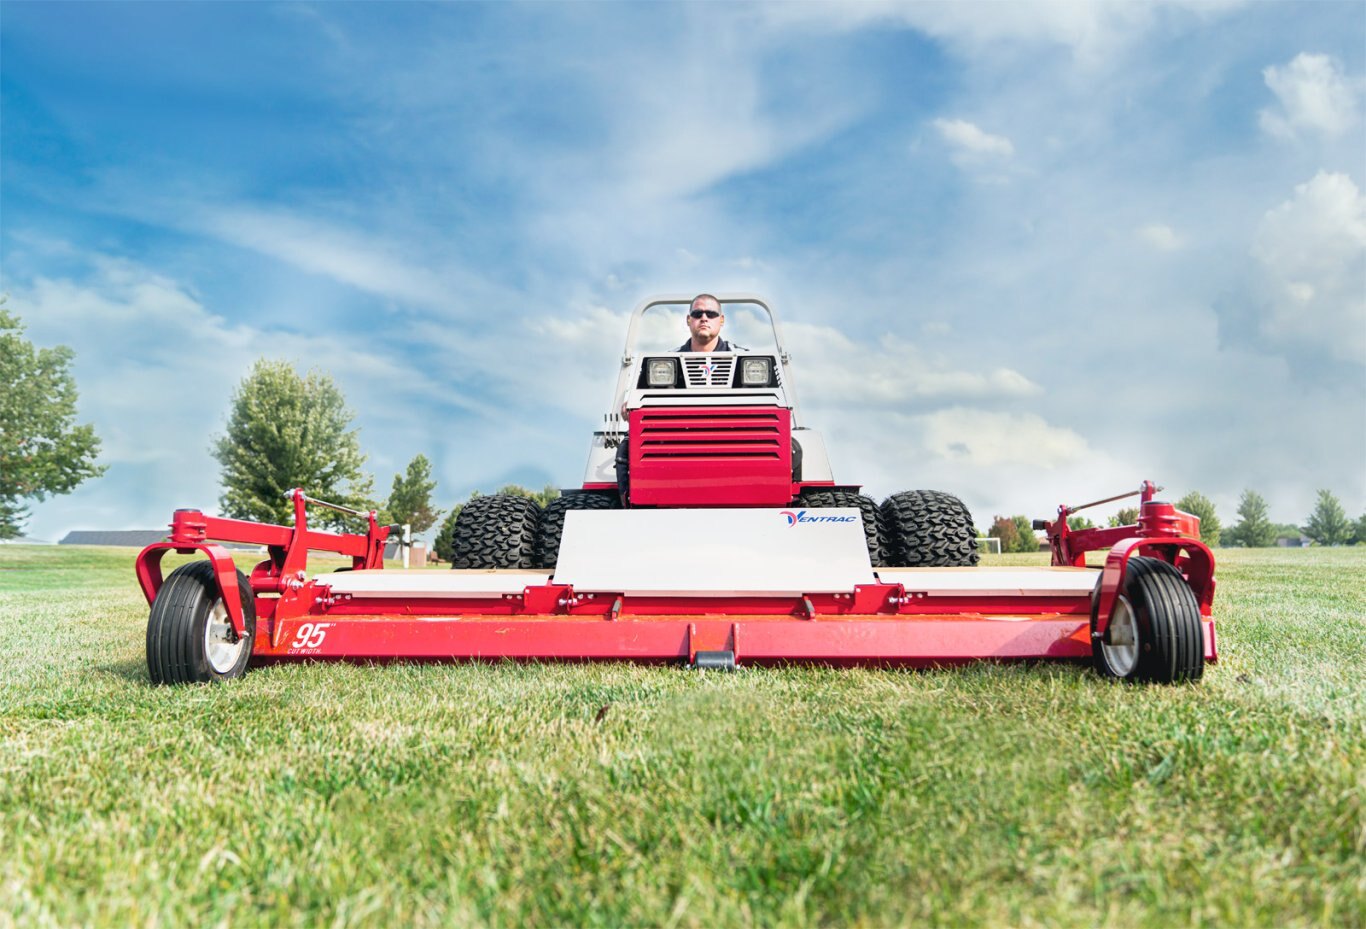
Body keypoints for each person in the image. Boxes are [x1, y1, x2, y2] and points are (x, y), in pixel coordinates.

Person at [675, 293, 740, 352]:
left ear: (721, 320)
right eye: (697, 314)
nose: (704, 318)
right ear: (688, 320)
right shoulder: (669, 357)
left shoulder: (741, 355)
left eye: (711, 314)